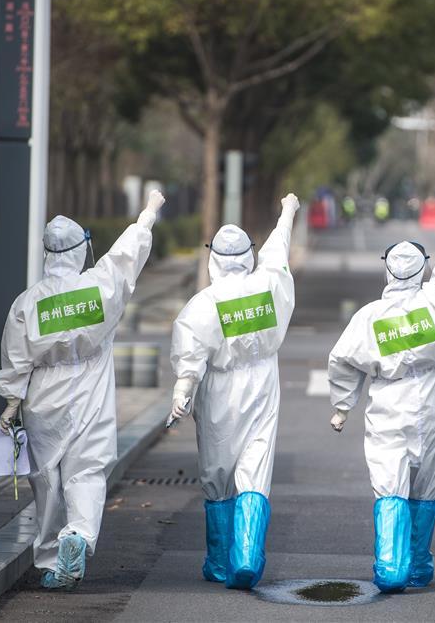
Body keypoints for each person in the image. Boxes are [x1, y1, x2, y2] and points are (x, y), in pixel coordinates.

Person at [328, 188, 435, 593]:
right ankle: (419, 564)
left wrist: (342, 405)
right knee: (425, 489)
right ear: (423, 269)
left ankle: (391, 567)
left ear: (387, 271)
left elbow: (343, 361)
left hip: (390, 407)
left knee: (390, 484)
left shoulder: (369, 317)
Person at [0, 190, 166, 589]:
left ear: (48, 253)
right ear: (79, 250)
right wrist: (148, 213)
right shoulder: (99, 286)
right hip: (90, 386)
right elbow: (126, 255)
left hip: (43, 395)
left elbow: (16, 357)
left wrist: (10, 403)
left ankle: (54, 556)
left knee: (46, 475)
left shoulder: (28, 302)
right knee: (86, 469)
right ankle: (79, 535)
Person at [169, 194, 299, 590]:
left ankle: (222, 562)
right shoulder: (268, 285)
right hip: (262, 382)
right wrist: (287, 212)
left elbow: (190, 352)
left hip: (219, 390)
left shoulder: (204, 303)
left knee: (218, 473)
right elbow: (277, 250)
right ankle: (247, 555)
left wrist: (182, 391)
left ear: (213, 259)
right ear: (248, 255)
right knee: (255, 467)